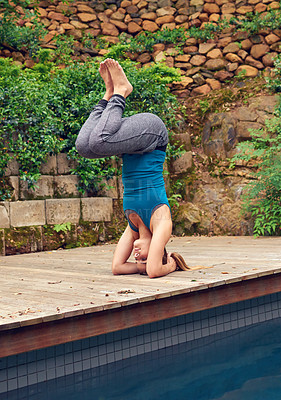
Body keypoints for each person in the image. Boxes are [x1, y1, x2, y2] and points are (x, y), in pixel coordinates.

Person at [75, 58, 189, 278]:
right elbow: (155, 271)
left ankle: (109, 94)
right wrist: (171, 265)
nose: (137, 256)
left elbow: (117, 268)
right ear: (160, 250)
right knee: (98, 142)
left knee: (84, 147)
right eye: (144, 257)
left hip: (134, 146)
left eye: (138, 260)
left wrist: (138, 268)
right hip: (153, 135)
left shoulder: (134, 226)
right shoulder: (161, 222)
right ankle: (122, 91)